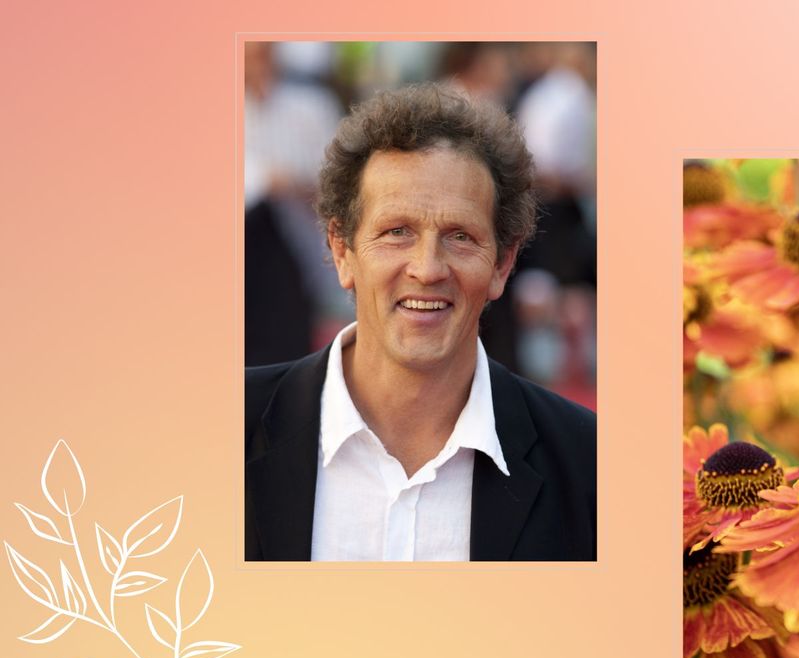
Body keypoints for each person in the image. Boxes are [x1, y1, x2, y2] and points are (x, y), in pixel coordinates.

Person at [245, 83, 595, 561]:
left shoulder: (589, 465)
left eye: (460, 236)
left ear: (502, 265)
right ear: (341, 250)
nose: (427, 269)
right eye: (396, 232)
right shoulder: (220, 432)